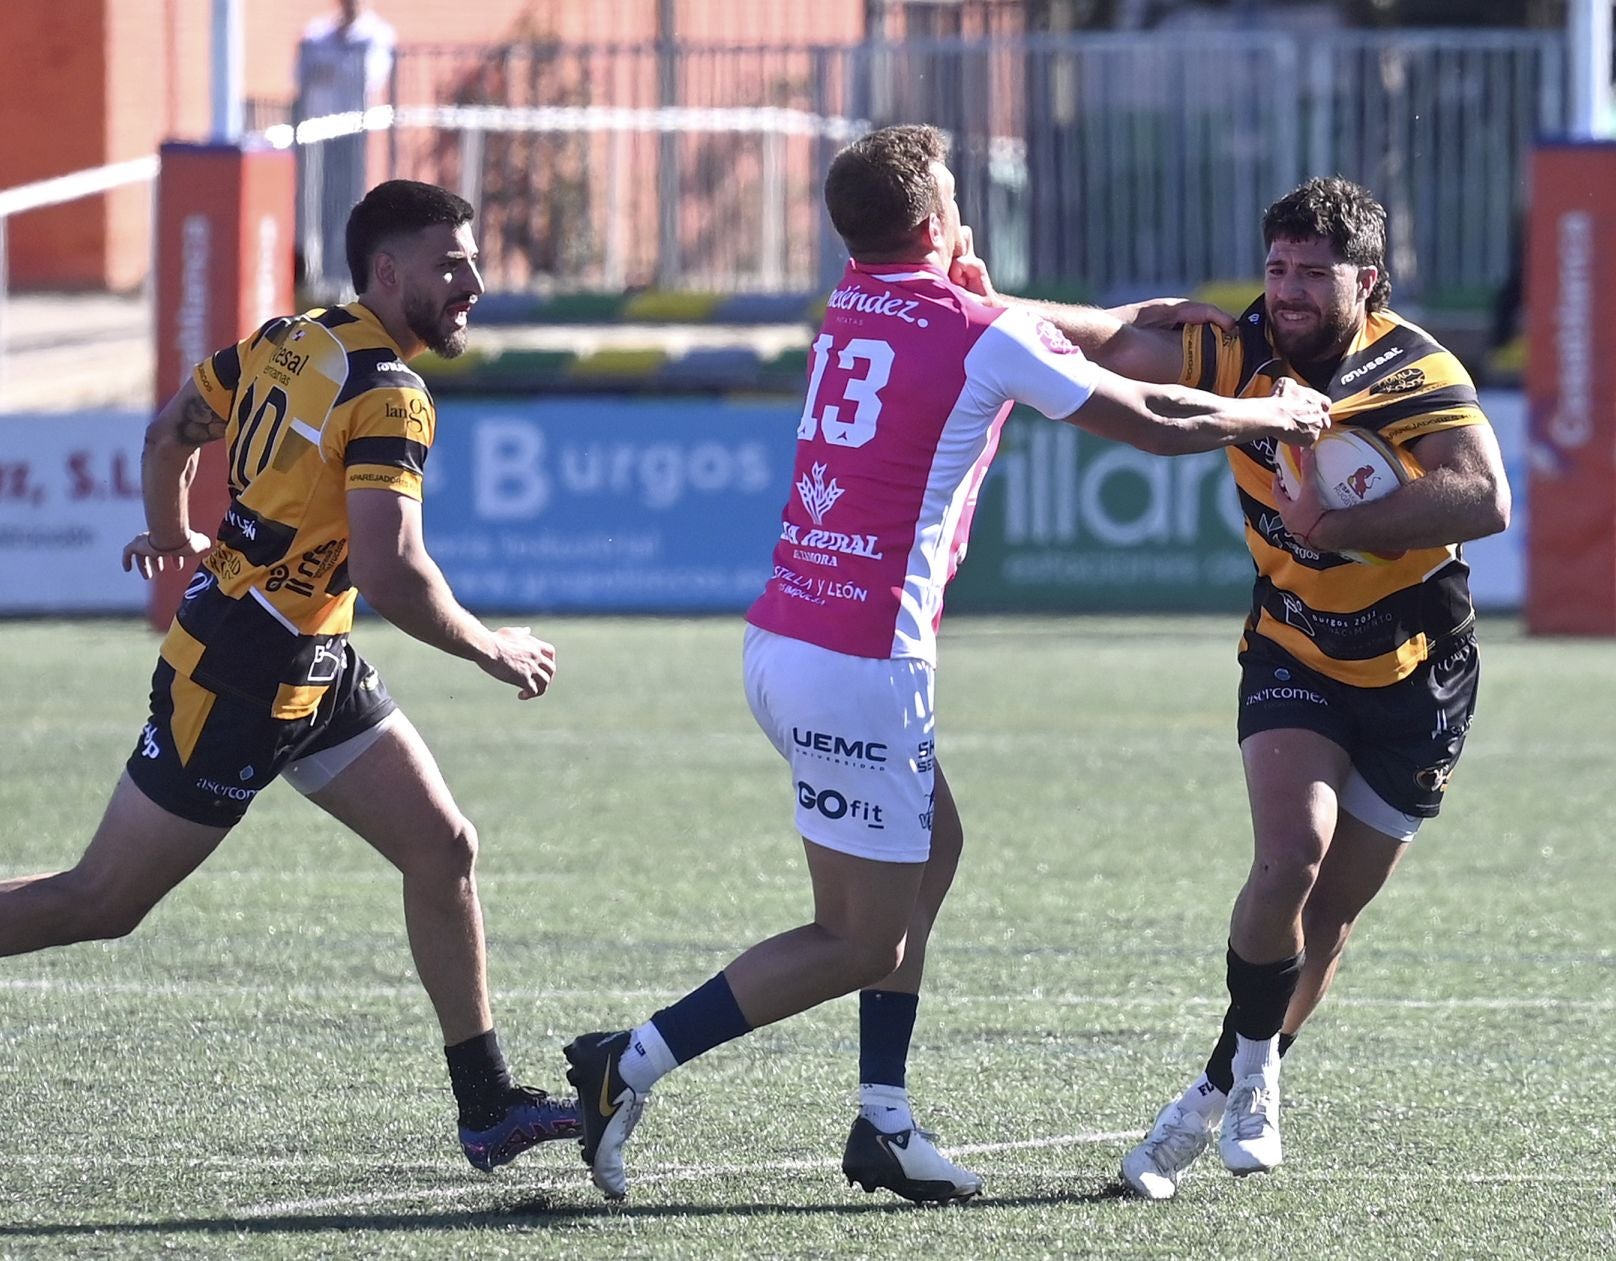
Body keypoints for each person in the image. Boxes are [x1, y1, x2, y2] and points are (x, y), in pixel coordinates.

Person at [559, 125, 1331, 1204]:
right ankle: (626, 1061)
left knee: (937, 843)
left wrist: (1115, 321)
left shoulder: (853, 294)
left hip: (786, 637)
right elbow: (1153, 420)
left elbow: (992, 316)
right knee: (858, 941)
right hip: (862, 659)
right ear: (934, 224)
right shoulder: (978, 331)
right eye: (957, 201)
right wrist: (1272, 411)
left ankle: (884, 1118)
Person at [0, 179, 582, 1175]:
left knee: (444, 847)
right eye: (452, 264)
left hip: (307, 658)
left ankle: (486, 1103)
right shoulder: (390, 395)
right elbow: (392, 572)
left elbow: (169, 431)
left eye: (473, 262)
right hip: (240, 676)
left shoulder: (291, 337)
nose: (474, 283)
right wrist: (494, 648)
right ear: (388, 272)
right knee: (98, 902)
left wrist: (169, 528)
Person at [962, 175, 1512, 1199]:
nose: (1289, 292)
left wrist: (1333, 527)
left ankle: (1220, 1083)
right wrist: (988, 300)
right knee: (1289, 859)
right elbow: (1084, 344)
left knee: (1336, 910)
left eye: (1313, 274)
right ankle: (1256, 1076)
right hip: (1294, 648)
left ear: (1369, 283)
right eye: (1278, 268)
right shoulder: (1234, 346)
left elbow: (1485, 494)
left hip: (1422, 668)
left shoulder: (1413, 369)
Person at [297, 0, 397, 301]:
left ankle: (344, 276)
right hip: (320, 130)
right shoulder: (318, 33)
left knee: (350, 203)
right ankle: (325, 277)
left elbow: (369, 77)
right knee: (321, 203)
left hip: (354, 131)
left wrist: (332, 67)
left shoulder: (376, 34)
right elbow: (303, 73)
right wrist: (339, 64)